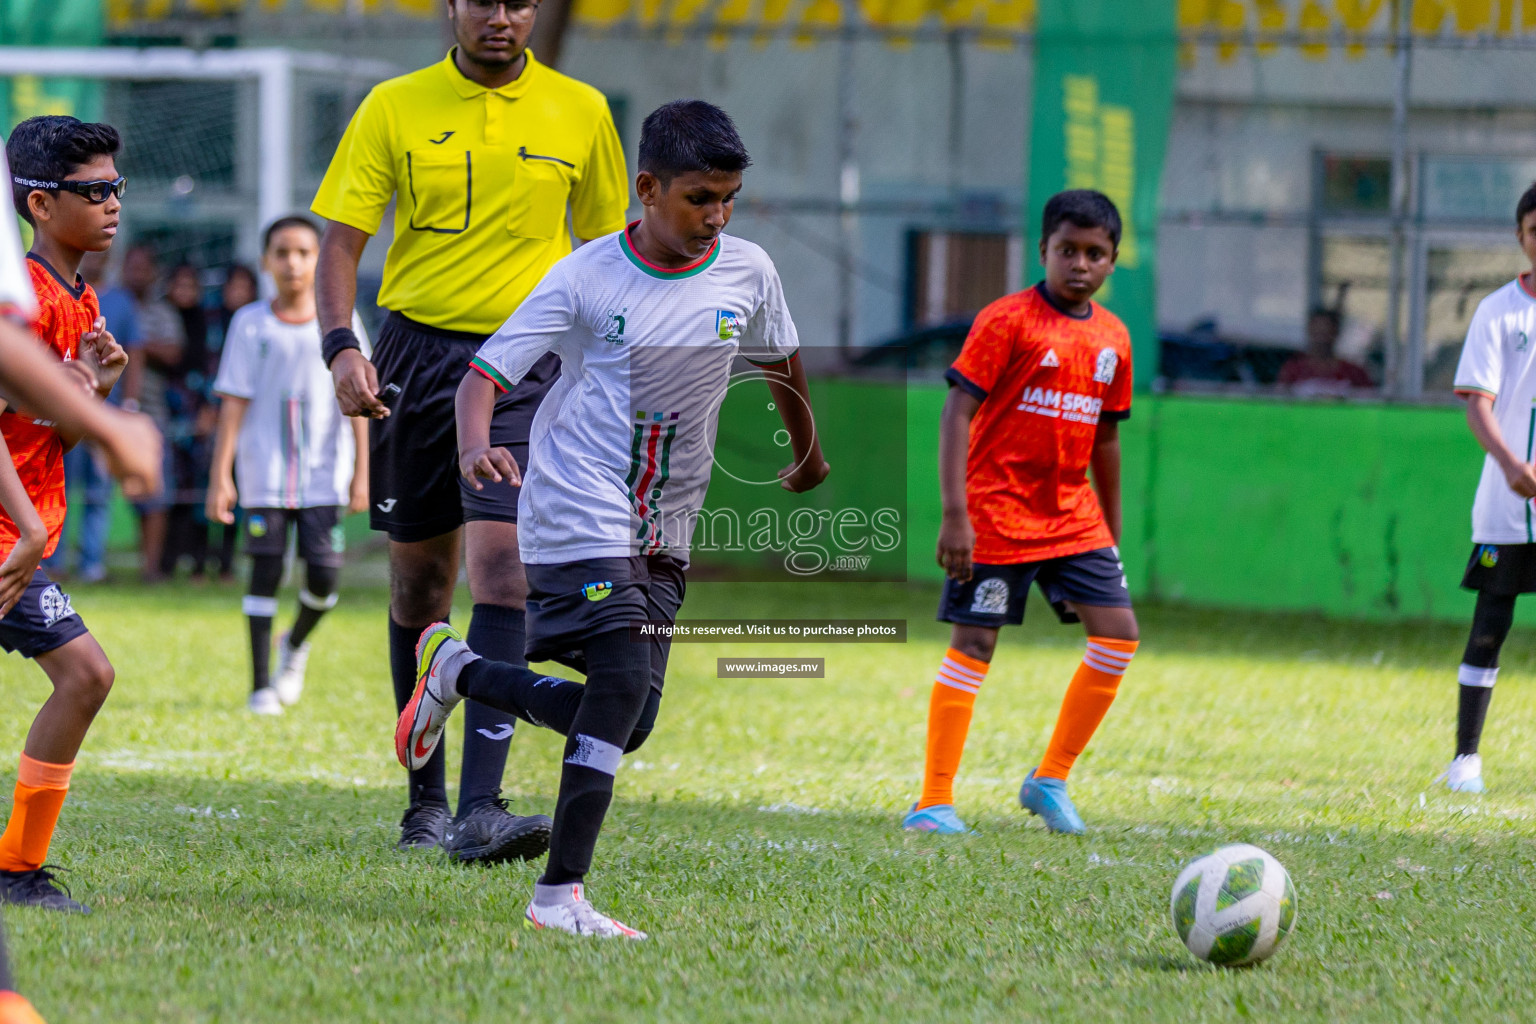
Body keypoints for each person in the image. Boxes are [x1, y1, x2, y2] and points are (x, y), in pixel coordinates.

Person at [394, 100, 829, 937]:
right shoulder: (587, 275)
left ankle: (459, 672)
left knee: (629, 721)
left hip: (668, 518)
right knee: (621, 683)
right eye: (700, 197)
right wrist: (475, 447)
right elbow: (484, 375)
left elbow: (780, 358)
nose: (717, 216)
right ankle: (559, 898)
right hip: (576, 499)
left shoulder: (749, 270)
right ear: (647, 188)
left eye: (729, 198)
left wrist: (806, 451)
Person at [311, 0, 629, 858]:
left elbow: (610, 255)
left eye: (519, 1)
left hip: (527, 362)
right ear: (450, 7)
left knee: (503, 572)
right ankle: (425, 803)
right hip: (412, 356)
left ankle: (482, 807)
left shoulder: (583, 109)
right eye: (482, 0)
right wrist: (341, 345)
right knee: (419, 586)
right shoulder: (393, 105)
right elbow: (340, 243)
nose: (501, 17)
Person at [902, 189, 1138, 837]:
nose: (1080, 264)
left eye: (1096, 253)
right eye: (1068, 250)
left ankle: (1050, 779)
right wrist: (956, 515)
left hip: (1074, 518)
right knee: (975, 643)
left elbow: (1108, 439)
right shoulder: (1007, 321)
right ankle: (933, 801)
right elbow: (957, 412)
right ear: (1044, 250)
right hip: (997, 515)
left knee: (1118, 636)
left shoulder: (1115, 337)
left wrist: (1110, 535)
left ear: (1114, 260)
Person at [0, 115, 132, 912]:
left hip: (21, 534)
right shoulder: (23, 299)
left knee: (85, 676)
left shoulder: (81, 305)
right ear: (42, 204)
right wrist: (37, 528)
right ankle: (15, 871)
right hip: (12, 534)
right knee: (86, 674)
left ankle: (17, 868)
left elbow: (45, 440)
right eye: (95, 190)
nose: (114, 203)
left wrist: (95, 390)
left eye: (117, 187)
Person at [207, 216, 369, 715]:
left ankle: (293, 645)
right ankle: (260, 686)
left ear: (318, 261)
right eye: (282, 252)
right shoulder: (249, 323)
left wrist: (363, 472)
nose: (292, 262)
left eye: (303, 252)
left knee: (323, 580)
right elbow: (233, 403)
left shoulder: (341, 325)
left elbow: (359, 399)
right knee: (265, 573)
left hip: (325, 473)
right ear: (266, 262)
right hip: (264, 476)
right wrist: (221, 476)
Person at [1441, 182, 1536, 794]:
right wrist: (1511, 465)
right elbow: (1478, 402)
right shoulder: (1499, 310)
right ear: (1522, 237)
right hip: (1510, 505)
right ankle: (1465, 761)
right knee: (1490, 623)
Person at [117, 244, 185, 582]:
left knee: (155, 491)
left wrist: (137, 343)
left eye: (144, 268)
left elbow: (174, 352)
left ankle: (151, 567)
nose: (137, 274)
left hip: (151, 413)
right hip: (105, 411)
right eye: (132, 267)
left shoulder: (161, 313)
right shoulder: (107, 303)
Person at [1277, 308, 1373, 394]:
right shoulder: (1293, 370)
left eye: (1326, 332)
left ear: (1336, 333)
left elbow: (1369, 399)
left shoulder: (1354, 372)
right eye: (1318, 332)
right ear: (1309, 331)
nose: (1322, 339)